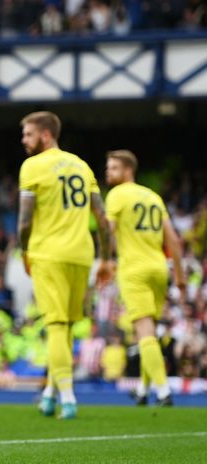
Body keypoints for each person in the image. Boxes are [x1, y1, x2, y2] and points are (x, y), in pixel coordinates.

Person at [17, 111, 111, 420]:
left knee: (55, 325)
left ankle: (68, 398)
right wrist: (107, 258)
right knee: (67, 326)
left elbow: (24, 220)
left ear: (45, 135)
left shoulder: (32, 166)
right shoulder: (82, 166)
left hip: (49, 254)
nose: (24, 141)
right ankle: (50, 393)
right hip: (81, 253)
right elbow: (102, 219)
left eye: (28, 135)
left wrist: (24, 251)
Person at [102, 149, 184, 406]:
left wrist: (105, 260)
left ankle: (162, 391)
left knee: (144, 332)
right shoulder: (153, 196)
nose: (108, 172)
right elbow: (173, 240)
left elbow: (107, 232)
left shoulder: (117, 195)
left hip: (134, 269)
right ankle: (143, 389)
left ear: (128, 170)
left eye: (113, 167)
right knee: (148, 333)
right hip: (159, 268)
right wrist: (180, 277)